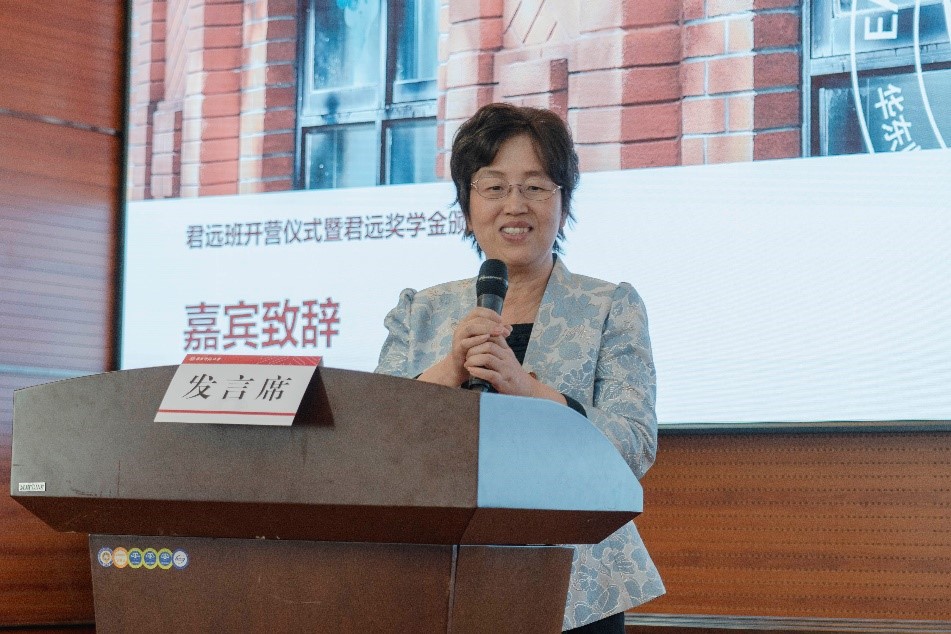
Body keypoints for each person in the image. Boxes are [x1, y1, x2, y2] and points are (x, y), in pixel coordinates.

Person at [375, 102, 665, 632]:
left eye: (535, 187)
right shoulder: (420, 311)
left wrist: (526, 390)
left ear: (563, 203)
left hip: (576, 581)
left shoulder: (610, 306)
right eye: (494, 187)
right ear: (467, 207)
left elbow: (634, 445)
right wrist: (449, 370)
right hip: (437, 576)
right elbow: (374, 443)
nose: (515, 205)